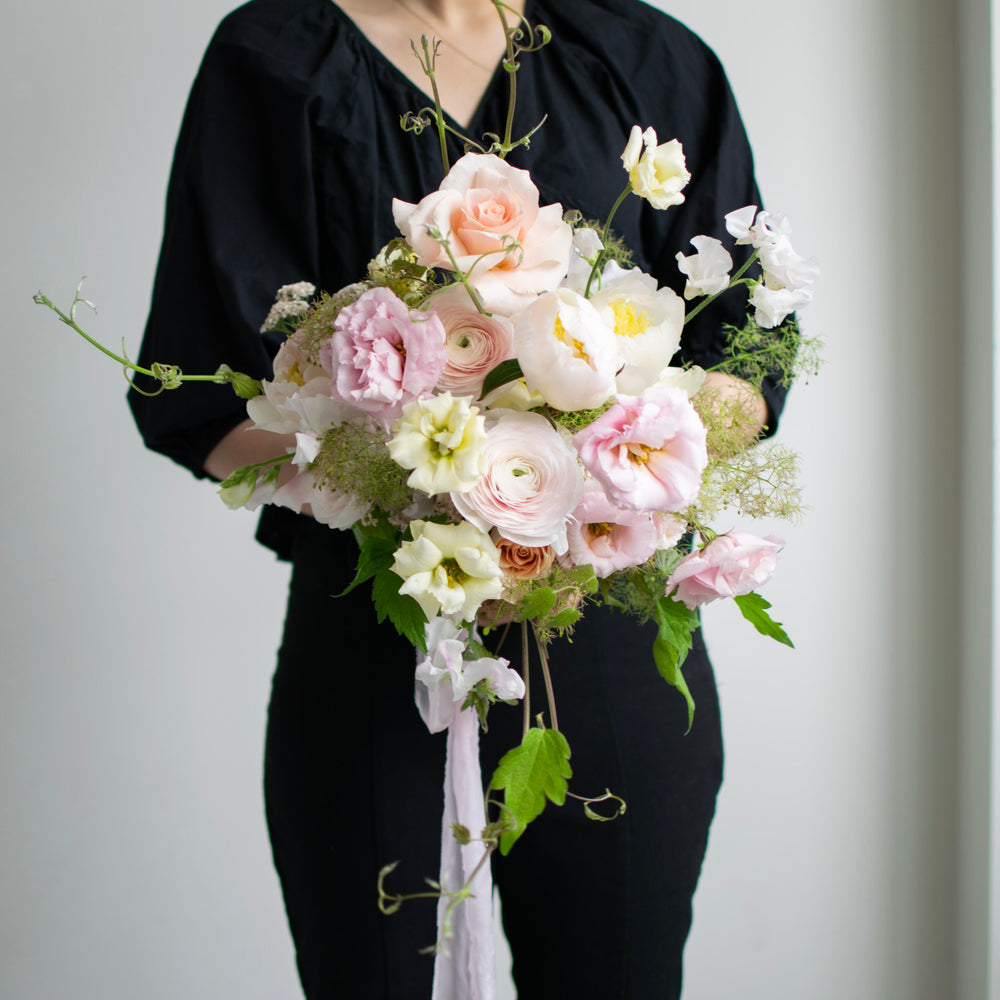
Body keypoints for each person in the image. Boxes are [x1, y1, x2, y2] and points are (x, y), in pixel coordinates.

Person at [129, 1, 787, 996]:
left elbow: (750, 348)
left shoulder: (646, 58)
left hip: (607, 641)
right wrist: (416, 469)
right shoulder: (273, 56)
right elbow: (195, 391)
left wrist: (622, 445)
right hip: (371, 637)